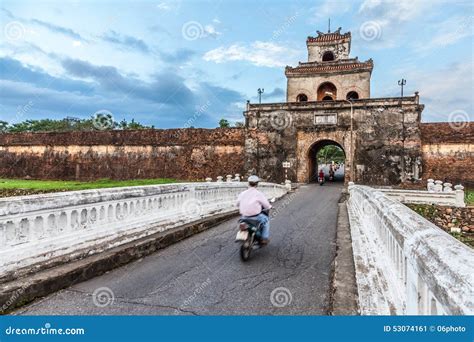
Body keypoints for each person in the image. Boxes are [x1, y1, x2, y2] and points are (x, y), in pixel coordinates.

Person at [237, 175, 272, 245]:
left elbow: (237, 203)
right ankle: (264, 238)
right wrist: (269, 207)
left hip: (244, 217)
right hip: (255, 217)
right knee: (266, 221)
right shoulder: (258, 194)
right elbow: (266, 205)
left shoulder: (242, 193)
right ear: (257, 184)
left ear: (248, 183)